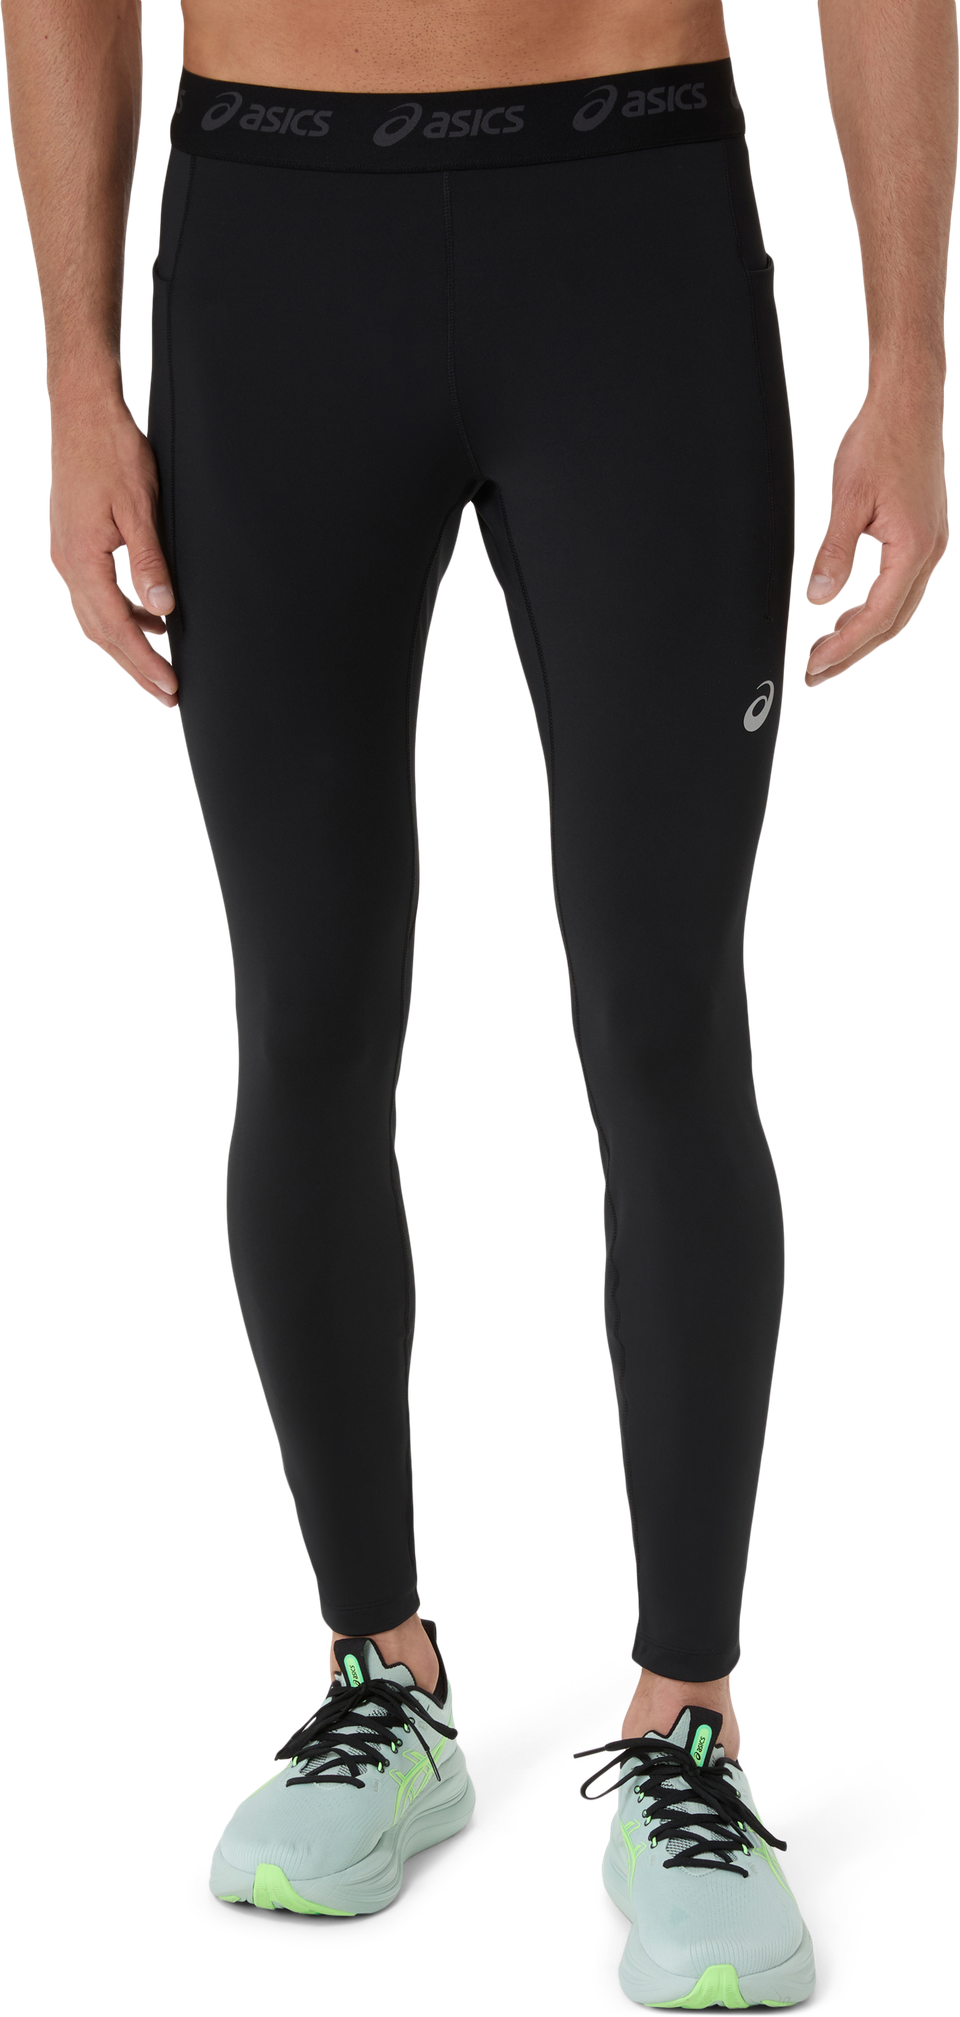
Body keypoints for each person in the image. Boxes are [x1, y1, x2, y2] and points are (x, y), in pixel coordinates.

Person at [5, 0, 953, 1997]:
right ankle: (383, 1685)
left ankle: (689, 1725)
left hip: (633, 225)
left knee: (665, 1019)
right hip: (269, 246)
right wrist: (79, 384)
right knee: (306, 1016)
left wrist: (915, 366)